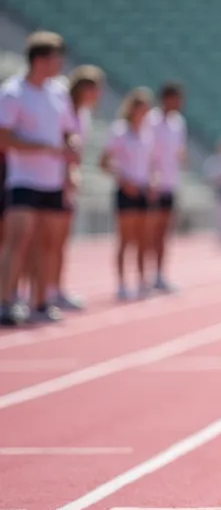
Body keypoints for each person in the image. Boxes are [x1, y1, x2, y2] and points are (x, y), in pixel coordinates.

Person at [0, 31, 81, 326]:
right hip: (23, 178)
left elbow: (69, 129)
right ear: (41, 59)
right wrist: (44, 148)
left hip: (53, 179)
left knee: (47, 243)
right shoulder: (13, 92)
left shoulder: (59, 91)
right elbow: (3, 137)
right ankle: (6, 301)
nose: (61, 63)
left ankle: (40, 300)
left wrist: (71, 148)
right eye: (57, 57)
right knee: (18, 238)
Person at [45, 64, 104, 310]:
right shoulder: (63, 108)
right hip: (49, 178)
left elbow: (77, 151)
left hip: (66, 181)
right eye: (94, 89)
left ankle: (55, 288)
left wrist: (74, 175)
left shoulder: (83, 115)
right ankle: (35, 291)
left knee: (59, 241)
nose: (98, 95)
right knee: (43, 241)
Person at [100, 88, 157, 301]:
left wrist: (152, 181)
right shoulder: (119, 131)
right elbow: (104, 162)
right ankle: (122, 283)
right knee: (125, 239)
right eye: (141, 109)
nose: (144, 114)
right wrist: (124, 180)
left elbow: (150, 163)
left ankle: (142, 280)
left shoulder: (147, 134)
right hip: (125, 190)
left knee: (143, 239)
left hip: (143, 190)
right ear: (132, 109)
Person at [145, 81, 187, 293]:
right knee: (148, 232)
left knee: (163, 233)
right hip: (153, 185)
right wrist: (151, 177)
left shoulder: (178, 122)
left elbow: (179, 152)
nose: (180, 103)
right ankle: (144, 275)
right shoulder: (151, 121)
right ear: (167, 98)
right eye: (177, 98)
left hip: (170, 184)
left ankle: (159, 275)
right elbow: (147, 152)